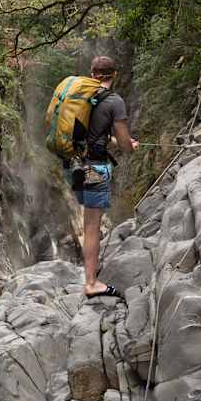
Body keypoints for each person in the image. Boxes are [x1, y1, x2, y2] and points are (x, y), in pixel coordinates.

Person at [66, 56, 138, 298]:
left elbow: (99, 136)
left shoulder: (82, 98)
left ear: (92, 73)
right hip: (95, 168)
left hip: (74, 166)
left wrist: (117, 141)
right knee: (92, 226)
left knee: (89, 221)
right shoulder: (114, 102)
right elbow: (126, 144)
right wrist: (129, 144)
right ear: (114, 74)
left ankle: (90, 276)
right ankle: (91, 283)